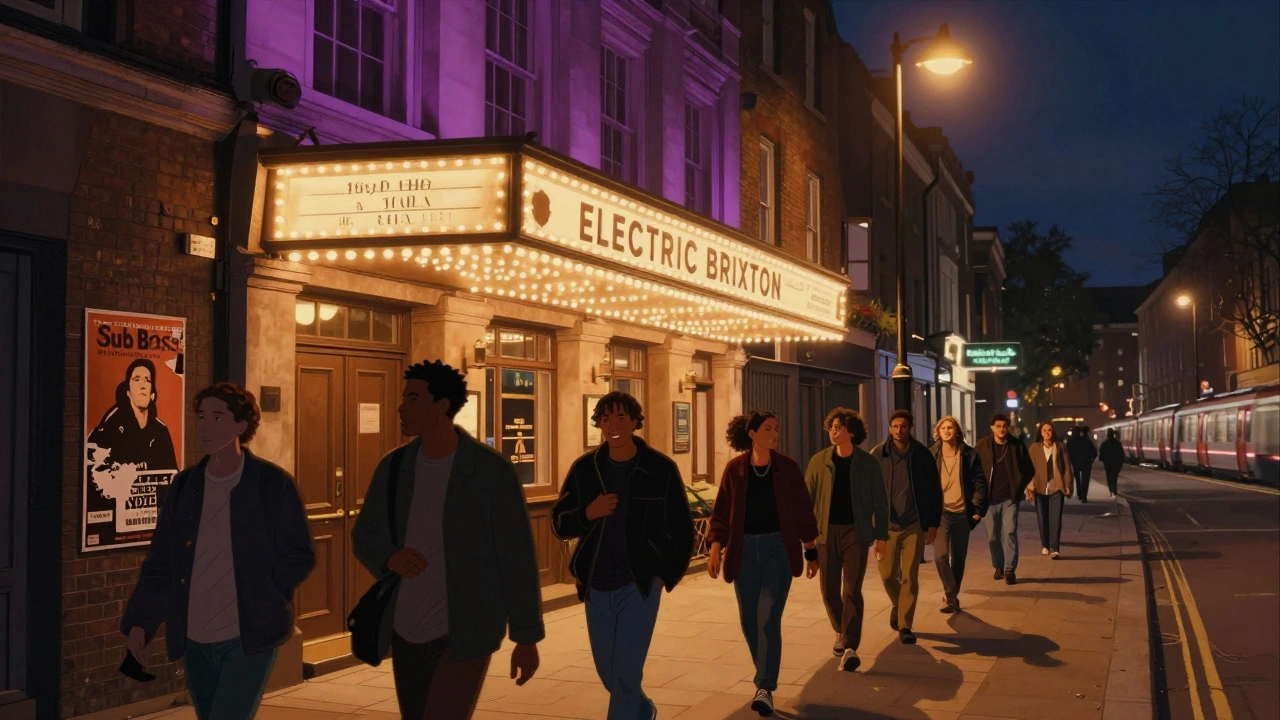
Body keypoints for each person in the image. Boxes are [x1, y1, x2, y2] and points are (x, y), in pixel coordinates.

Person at [351, 360, 544, 720]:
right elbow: (364, 535)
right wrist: (390, 558)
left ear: (441, 405)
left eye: (413, 399)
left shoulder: (490, 471)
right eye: (403, 398)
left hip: (467, 630)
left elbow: (516, 557)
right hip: (406, 628)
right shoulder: (394, 467)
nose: (401, 408)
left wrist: (526, 636)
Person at [121, 383, 316, 719]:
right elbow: (162, 563)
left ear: (241, 425)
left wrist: (265, 593)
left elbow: (300, 554)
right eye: (201, 417)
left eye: (217, 417)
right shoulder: (185, 487)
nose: (205, 427)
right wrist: (141, 623)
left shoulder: (272, 484)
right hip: (195, 636)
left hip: (248, 635)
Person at [552, 392, 694, 720]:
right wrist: (588, 513)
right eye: (605, 419)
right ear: (599, 424)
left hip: (639, 584)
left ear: (634, 422)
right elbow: (560, 522)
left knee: (625, 672)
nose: (612, 426)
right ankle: (642, 709)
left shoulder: (659, 468)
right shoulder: (586, 469)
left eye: (620, 418)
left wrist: (661, 576)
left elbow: (681, 530)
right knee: (609, 672)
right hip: (596, 584)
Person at [708, 411, 819, 715]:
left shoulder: (787, 468)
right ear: (752, 434)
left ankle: (764, 686)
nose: (774, 434)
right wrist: (716, 548)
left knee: (768, 617)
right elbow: (721, 512)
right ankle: (765, 673)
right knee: (749, 621)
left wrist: (810, 550)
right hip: (743, 550)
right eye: (768, 429)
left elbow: (803, 509)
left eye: (776, 428)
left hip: (777, 549)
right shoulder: (735, 470)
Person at [803, 408, 888, 673]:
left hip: (856, 532)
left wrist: (881, 537)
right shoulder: (818, 462)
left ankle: (850, 646)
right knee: (829, 589)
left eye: (839, 427)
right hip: (826, 533)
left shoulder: (867, 463)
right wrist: (808, 543)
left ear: (851, 433)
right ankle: (840, 630)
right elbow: (806, 502)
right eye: (832, 427)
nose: (833, 431)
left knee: (851, 589)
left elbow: (880, 502)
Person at [869, 410, 942, 645]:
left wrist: (933, 522)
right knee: (887, 574)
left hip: (914, 524)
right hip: (886, 526)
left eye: (903, 426)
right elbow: (867, 490)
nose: (899, 430)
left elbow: (934, 490)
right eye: (895, 426)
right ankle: (899, 604)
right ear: (890, 428)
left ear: (910, 427)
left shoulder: (922, 455)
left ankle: (905, 626)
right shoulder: (878, 454)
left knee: (910, 575)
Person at [928, 416, 989, 614]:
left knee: (959, 558)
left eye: (950, 427)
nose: (946, 430)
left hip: (963, 512)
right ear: (938, 432)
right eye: (943, 428)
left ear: (957, 431)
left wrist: (977, 508)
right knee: (940, 556)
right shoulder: (931, 454)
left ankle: (951, 598)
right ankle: (951, 593)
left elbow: (980, 481)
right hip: (941, 513)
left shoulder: (969, 454)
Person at [87, 358, 179, 474]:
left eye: (147, 380)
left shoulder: (160, 431)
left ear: (152, 395)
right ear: (128, 392)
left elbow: (172, 475)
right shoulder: (109, 428)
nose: (143, 385)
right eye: (136, 379)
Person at [974, 413, 1035, 585]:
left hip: (1010, 498)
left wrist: (1020, 486)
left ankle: (1009, 569)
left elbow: (1029, 469)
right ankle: (998, 565)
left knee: (1009, 532)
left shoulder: (1017, 445)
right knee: (992, 536)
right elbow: (973, 469)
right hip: (989, 499)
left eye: (1004, 426)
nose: (1001, 429)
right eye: (998, 426)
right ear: (992, 428)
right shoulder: (982, 446)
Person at [1028, 421, 1074, 559]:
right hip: (1039, 488)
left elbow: (1067, 467)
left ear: (1053, 432)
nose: (1047, 432)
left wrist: (1068, 485)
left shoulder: (1060, 447)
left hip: (1057, 488)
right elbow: (1028, 468)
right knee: (1042, 518)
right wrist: (1029, 488)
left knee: (1056, 518)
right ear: (1040, 433)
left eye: (1049, 430)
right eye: (1044, 430)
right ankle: (1045, 544)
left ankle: (1054, 548)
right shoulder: (1035, 448)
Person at [1066, 426, 1098, 503]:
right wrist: (1092, 459)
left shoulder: (1070, 441)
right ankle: (1084, 497)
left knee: (1077, 478)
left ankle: (1079, 494)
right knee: (1085, 480)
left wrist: (1070, 460)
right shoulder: (1086, 440)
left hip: (1075, 462)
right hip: (1086, 462)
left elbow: (1067, 452)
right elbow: (1094, 452)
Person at [1099, 429, 1125, 499]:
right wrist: (1121, 462)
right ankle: (1114, 490)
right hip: (1116, 463)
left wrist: (1103, 459)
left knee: (1109, 477)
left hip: (1107, 463)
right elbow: (1121, 454)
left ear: (1107, 435)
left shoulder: (1104, 444)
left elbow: (1101, 454)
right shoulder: (1117, 443)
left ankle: (1111, 490)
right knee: (1114, 477)